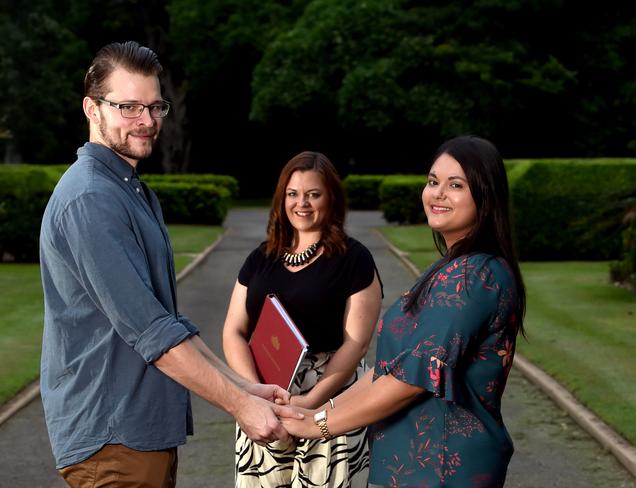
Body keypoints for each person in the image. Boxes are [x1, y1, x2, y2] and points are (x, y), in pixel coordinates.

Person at [39, 41, 300, 488]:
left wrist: (242, 388)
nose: (146, 120)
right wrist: (240, 408)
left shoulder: (128, 189)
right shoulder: (90, 198)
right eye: (128, 106)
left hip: (138, 435)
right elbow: (152, 333)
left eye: (154, 105)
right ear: (91, 108)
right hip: (113, 438)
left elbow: (166, 319)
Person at [281, 135, 527, 487]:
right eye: (433, 181)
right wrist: (313, 412)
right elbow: (388, 370)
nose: (438, 193)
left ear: (485, 197)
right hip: (410, 465)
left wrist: (315, 426)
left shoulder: (476, 275)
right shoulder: (447, 268)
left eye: (455, 185)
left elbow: (411, 381)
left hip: (444, 468)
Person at [222, 151, 384, 487]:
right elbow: (234, 331)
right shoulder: (260, 258)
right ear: (282, 199)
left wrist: (309, 403)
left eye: (314, 194)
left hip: (331, 402)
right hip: (264, 398)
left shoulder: (353, 259)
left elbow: (357, 342)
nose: (302, 204)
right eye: (293, 194)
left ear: (331, 199)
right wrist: (255, 392)